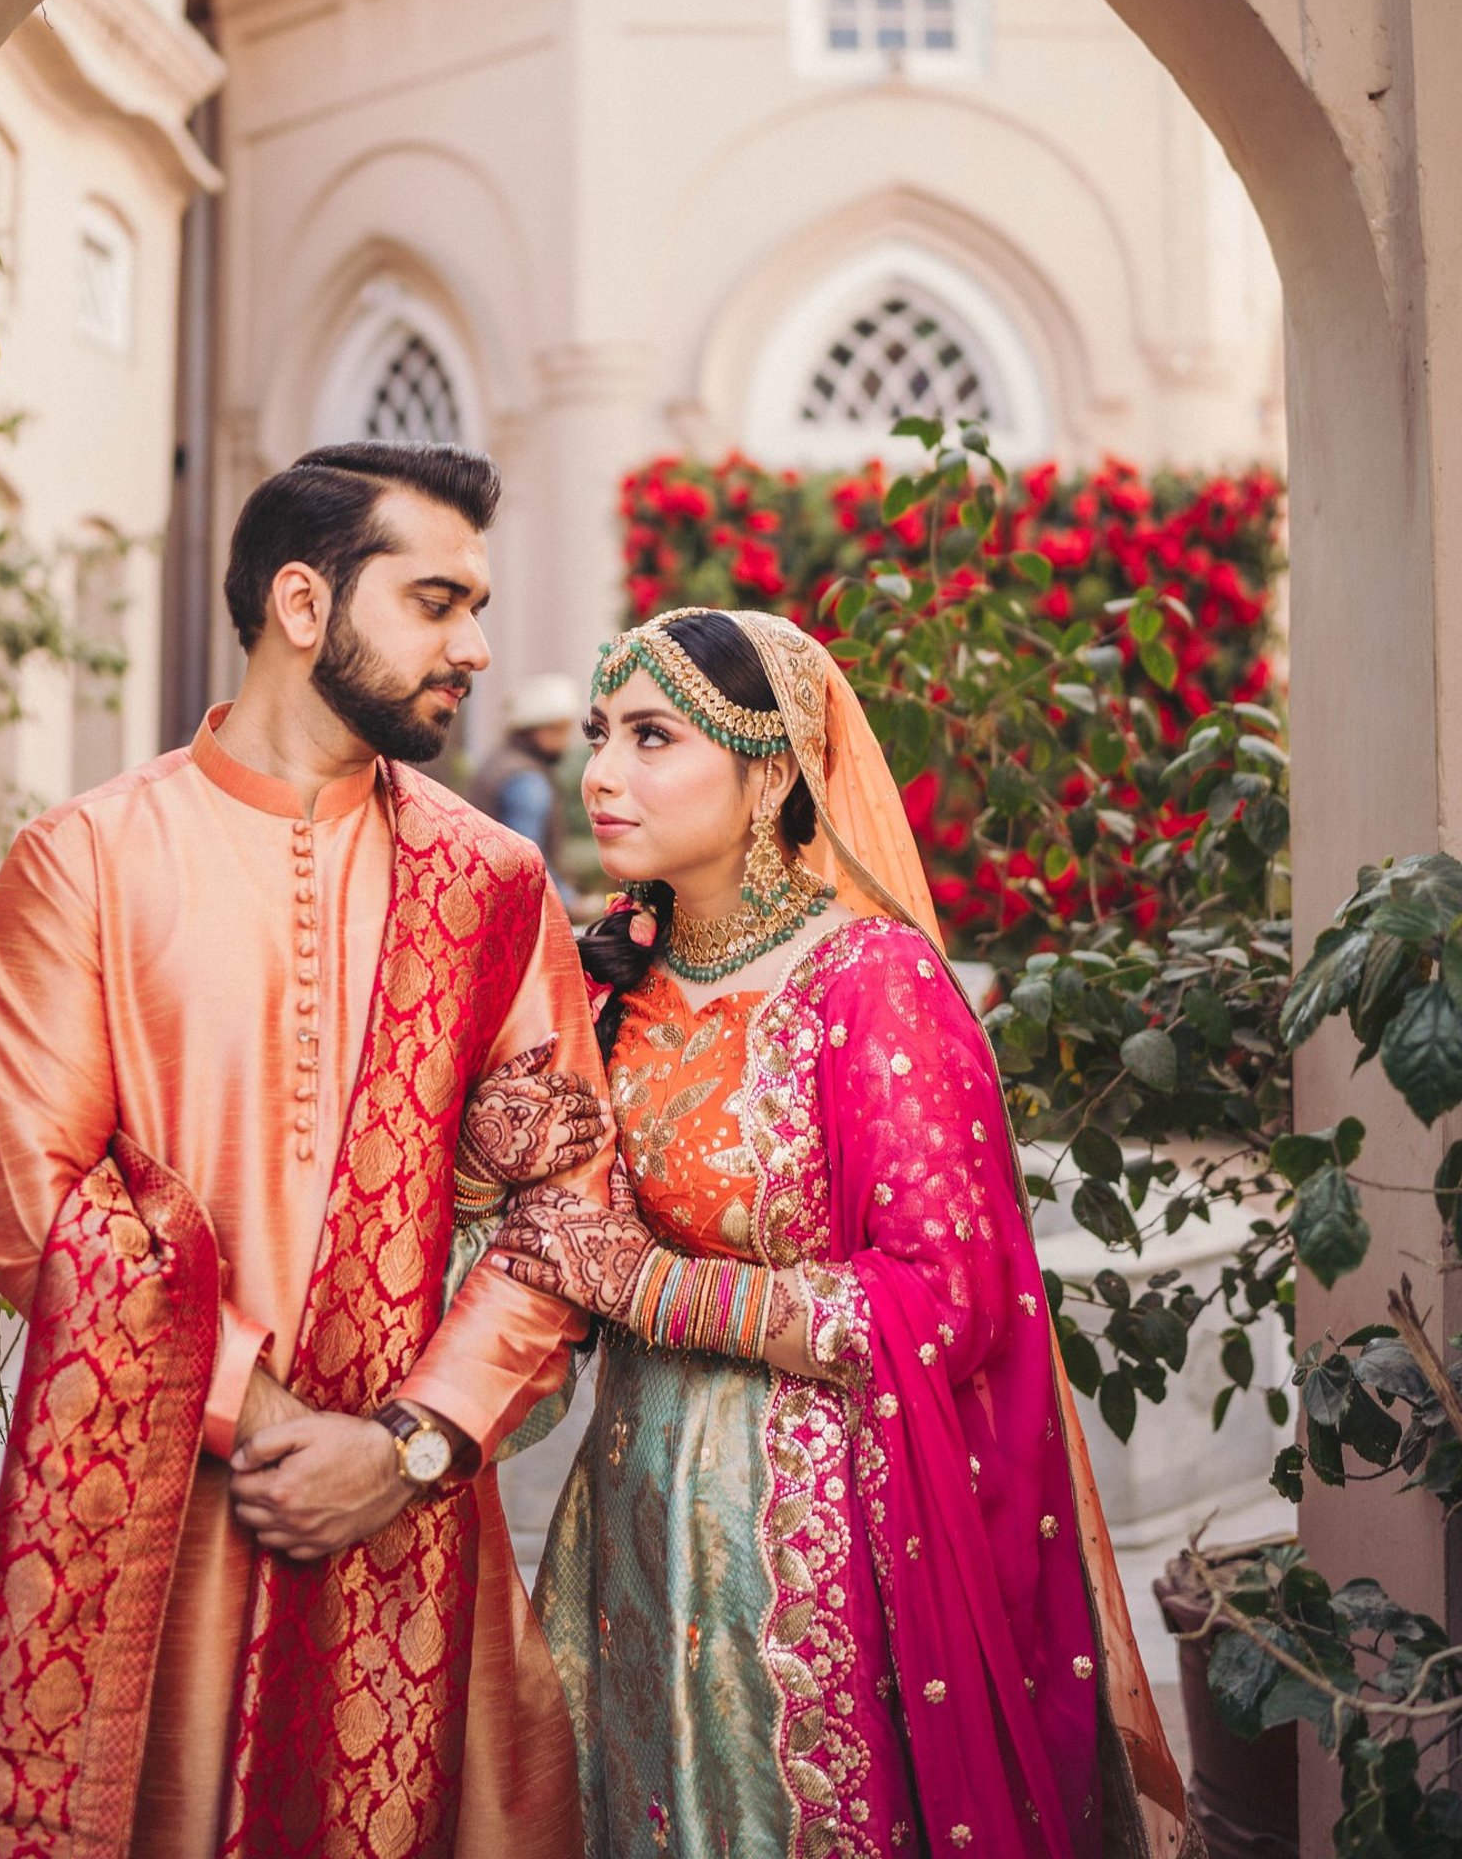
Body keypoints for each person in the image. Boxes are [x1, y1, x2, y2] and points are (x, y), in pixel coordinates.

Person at [0, 443, 614, 1859]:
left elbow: (571, 1201)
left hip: (416, 1524)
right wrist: (293, 1433)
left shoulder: (491, 885)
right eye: (436, 602)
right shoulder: (88, 862)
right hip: (160, 1522)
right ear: (305, 604)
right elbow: (32, 1203)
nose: (476, 647)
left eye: (476, 608)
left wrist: (410, 1445)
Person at [489, 607, 1197, 1859]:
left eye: (653, 737)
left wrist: (653, 1289)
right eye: (601, 735)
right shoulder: (613, 985)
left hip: (829, 1551)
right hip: (633, 1532)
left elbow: (944, 1301)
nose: (601, 773)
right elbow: (555, 1237)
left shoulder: (873, 982)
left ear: (770, 772)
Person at [468, 673, 583, 912]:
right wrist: (568, 900)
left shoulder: (497, 762)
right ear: (541, 731)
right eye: (562, 731)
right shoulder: (528, 782)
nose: (567, 741)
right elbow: (529, 863)